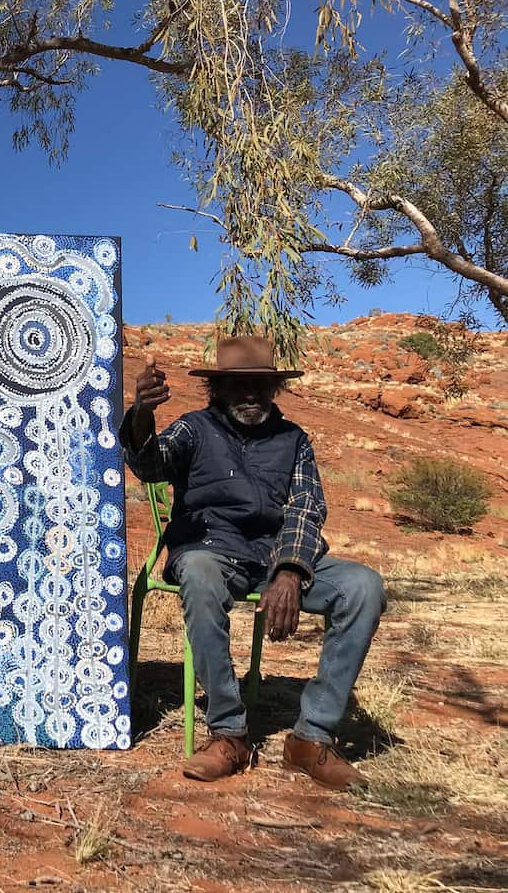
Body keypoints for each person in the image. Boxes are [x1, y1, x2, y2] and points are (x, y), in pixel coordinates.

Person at [122, 335, 385, 789]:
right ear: (217, 389)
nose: (249, 394)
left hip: (275, 558)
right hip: (211, 550)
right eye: (237, 385)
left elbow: (306, 508)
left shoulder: (293, 440)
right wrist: (143, 413)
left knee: (363, 586)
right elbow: (150, 464)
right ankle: (230, 733)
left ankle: (311, 738)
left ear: (274, 390)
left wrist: (289, 570)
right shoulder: (194, 428)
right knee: (200, 575)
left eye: (259, 386)